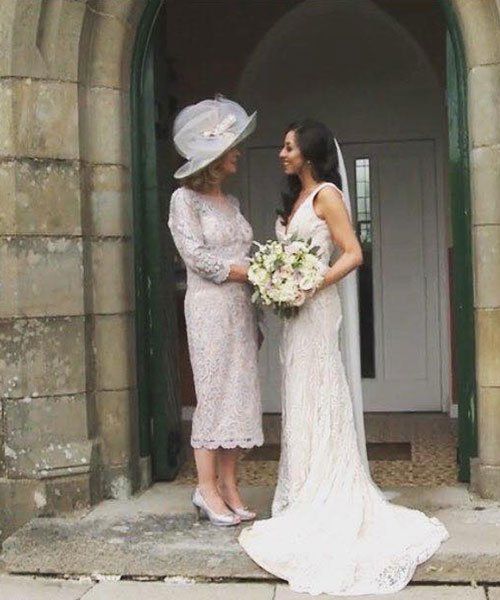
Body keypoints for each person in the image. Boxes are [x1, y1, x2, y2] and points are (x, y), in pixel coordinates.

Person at [238, 119, 449, 594]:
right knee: (298, 395)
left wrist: (310, 282)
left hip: (316, 308)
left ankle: (327, 491)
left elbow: (352, 253)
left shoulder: (326, 195)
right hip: (294, 314)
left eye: (288, 147)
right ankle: (300, 491)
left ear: (308, 152)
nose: (282, 153)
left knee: (319, 389)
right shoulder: (294, 199)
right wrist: (280, 280)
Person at [168, 96, 263, 527]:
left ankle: (229, 485)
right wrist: (250, 273)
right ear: (214, 157)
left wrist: (265, 275)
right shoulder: (183, 200)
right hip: (208, 307)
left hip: (240, 308)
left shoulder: (233, 202)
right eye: (232, 147)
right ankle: (205, 489)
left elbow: (242, 250)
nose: (238, 153)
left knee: (238, 395)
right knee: (213, 393)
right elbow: (197, 257)